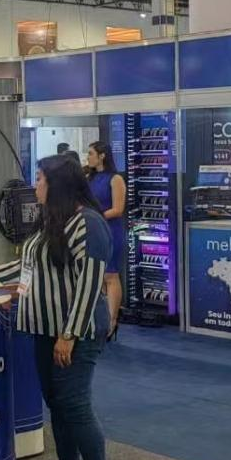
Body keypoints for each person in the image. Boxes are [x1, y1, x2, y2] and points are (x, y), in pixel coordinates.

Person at [0, 155, 113, 460]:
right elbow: (32, 264)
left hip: (75, 332)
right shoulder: (53, 220)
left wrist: (69, 334)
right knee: (57, 404)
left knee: (75, 405)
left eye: (40, 179)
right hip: (43, 328)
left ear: (58, 184)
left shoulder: (88, 223)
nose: (35, 185)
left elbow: (89, 284)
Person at [86, 142, 126, 338]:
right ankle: (102, 319)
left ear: (102, 156)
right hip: (95, 231)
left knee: (111, 275)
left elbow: (118, 209)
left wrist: (96, 216)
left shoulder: (115, 179)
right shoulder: (90, 179)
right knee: (99, 275)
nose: (88, 157)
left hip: (111, 231)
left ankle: (112, 320)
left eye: (90, 153)